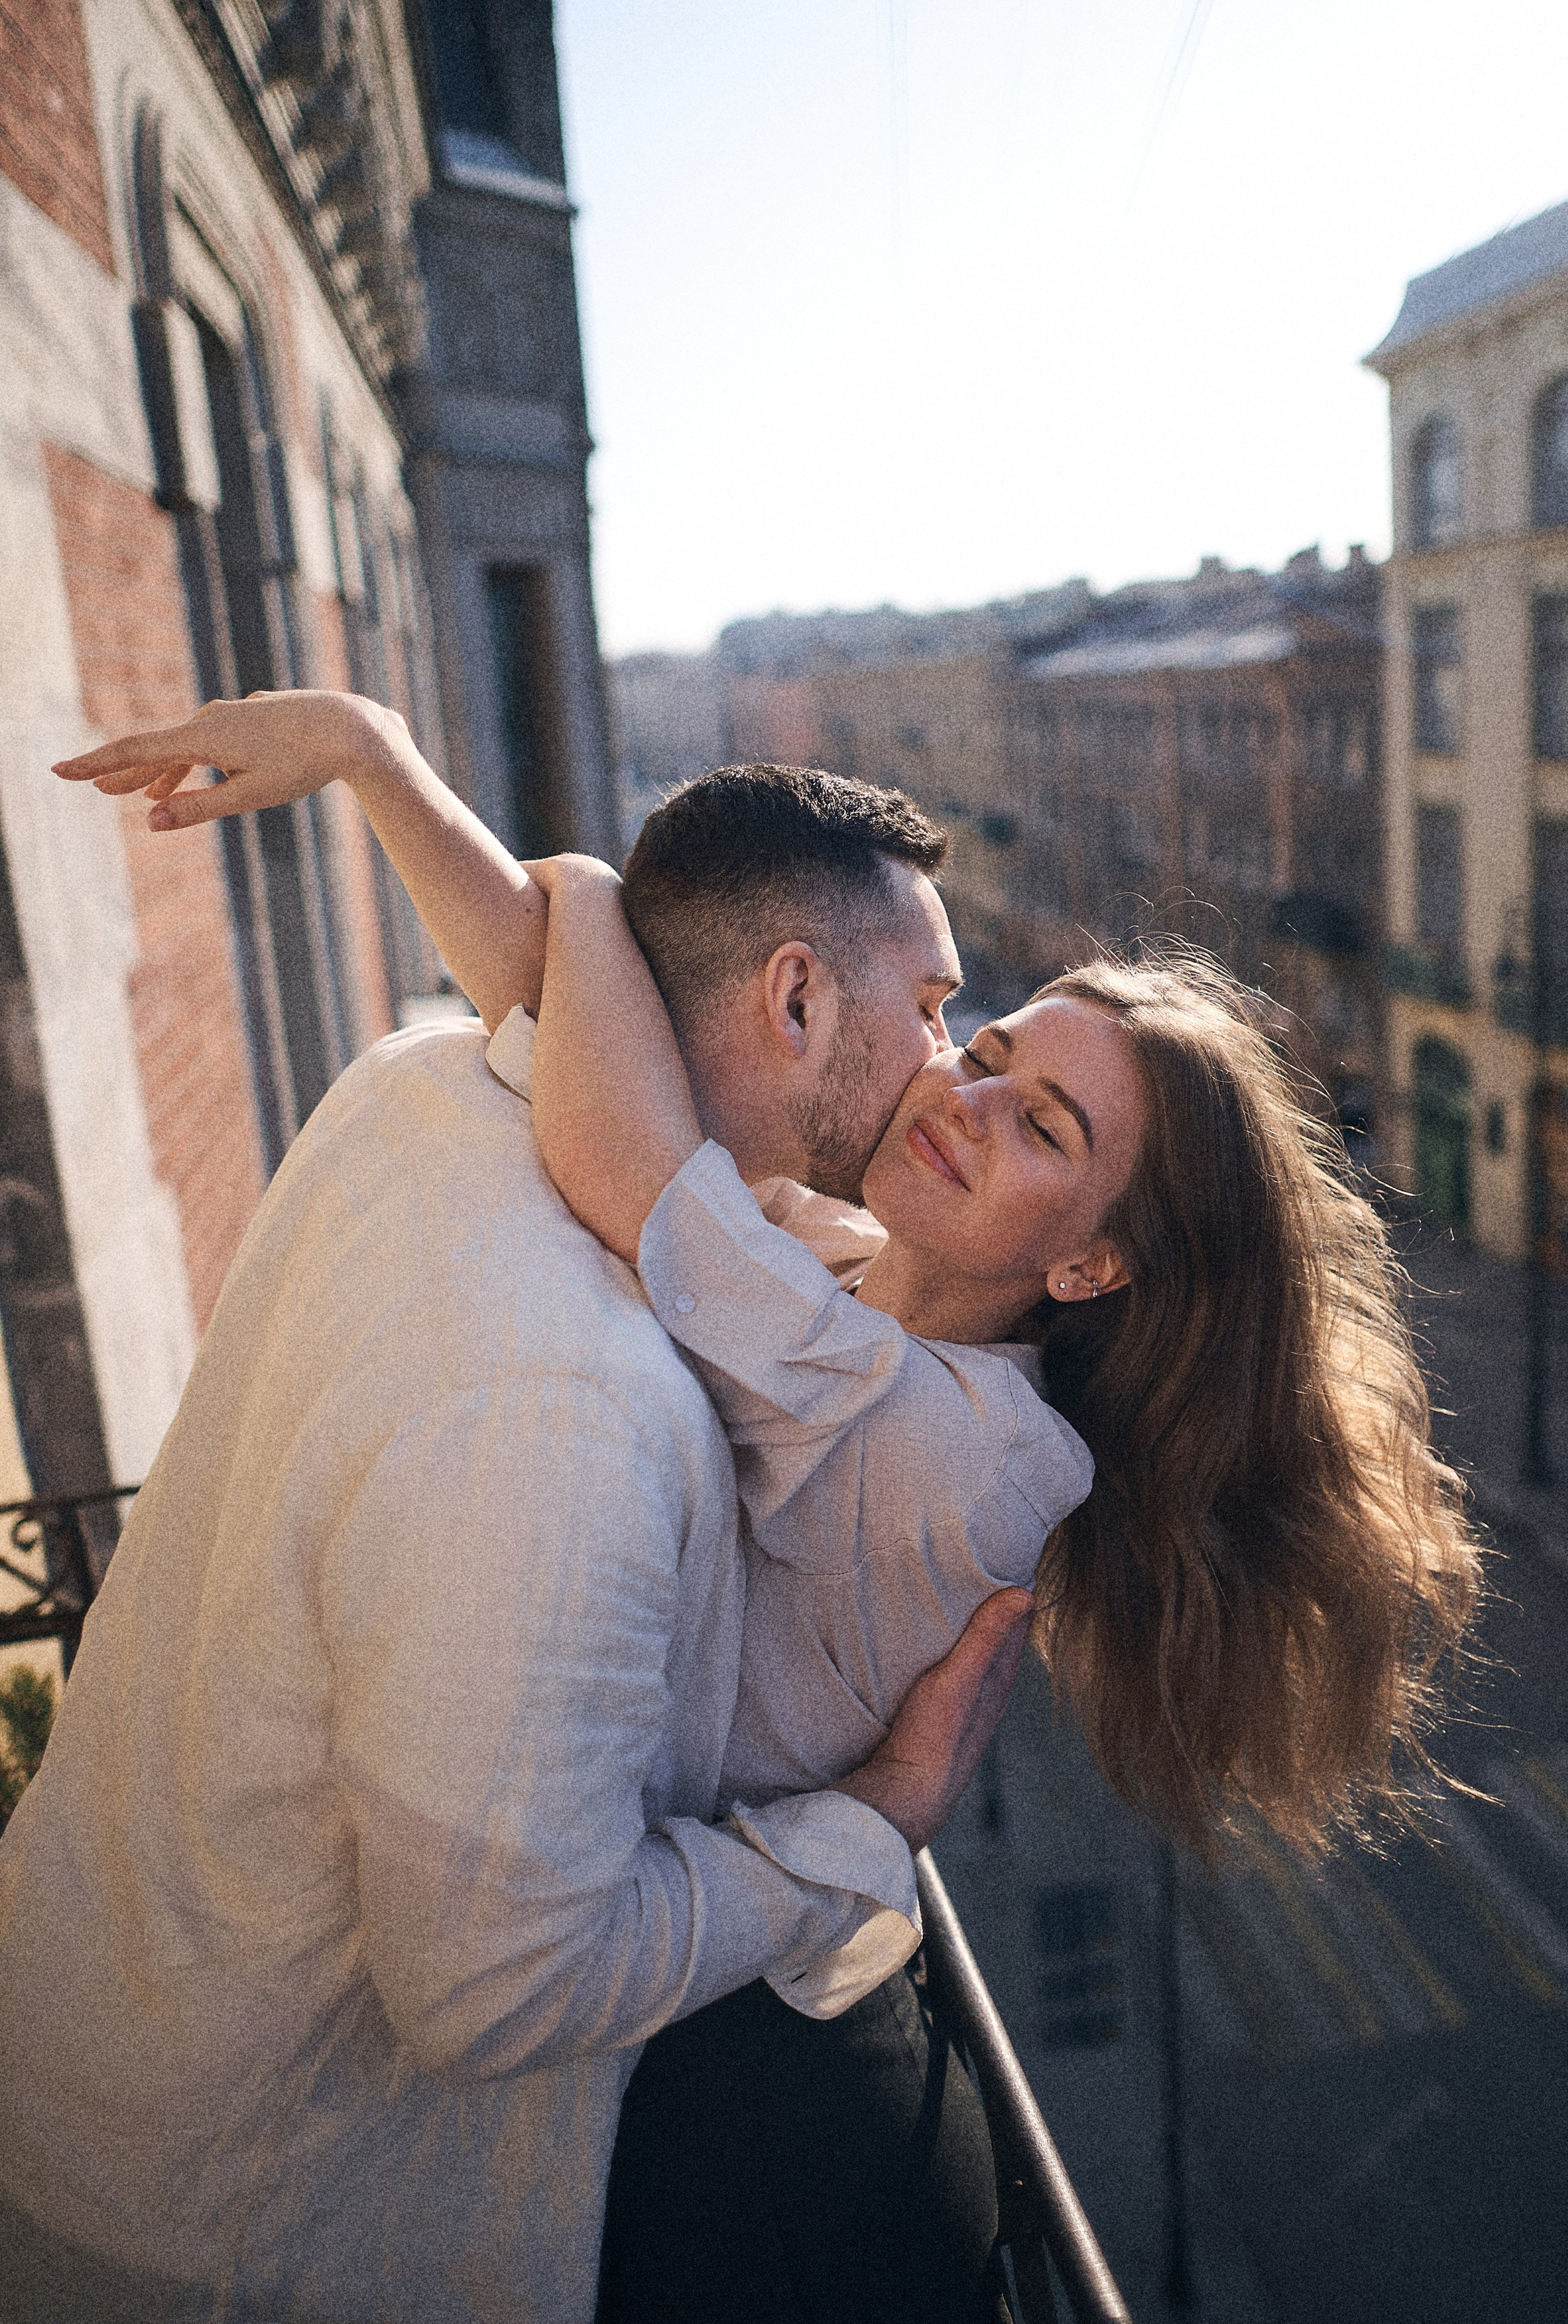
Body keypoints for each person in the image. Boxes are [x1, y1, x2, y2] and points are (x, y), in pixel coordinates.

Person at [51, 691, 1483, 2317]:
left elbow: (627, 1147)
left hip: (711, 1984)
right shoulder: (859, 1272)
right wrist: (388, 771)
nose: (961, 1088)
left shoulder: (978, 1452)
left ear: (1087, 1263)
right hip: (636, 1913)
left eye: (1041, 1125)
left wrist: (582, 882)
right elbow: (591, 1022)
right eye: (985, 1040)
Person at [3, 707, 1033, 2323]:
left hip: (115, 2047)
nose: (951, 1060)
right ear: (790, 994)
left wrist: (379, 755)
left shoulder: (431, 1072)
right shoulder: (564, 1412)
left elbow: (578, 979)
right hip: (238, 2236)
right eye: (930, 1004)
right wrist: (867, 1820)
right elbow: (502, 1984)